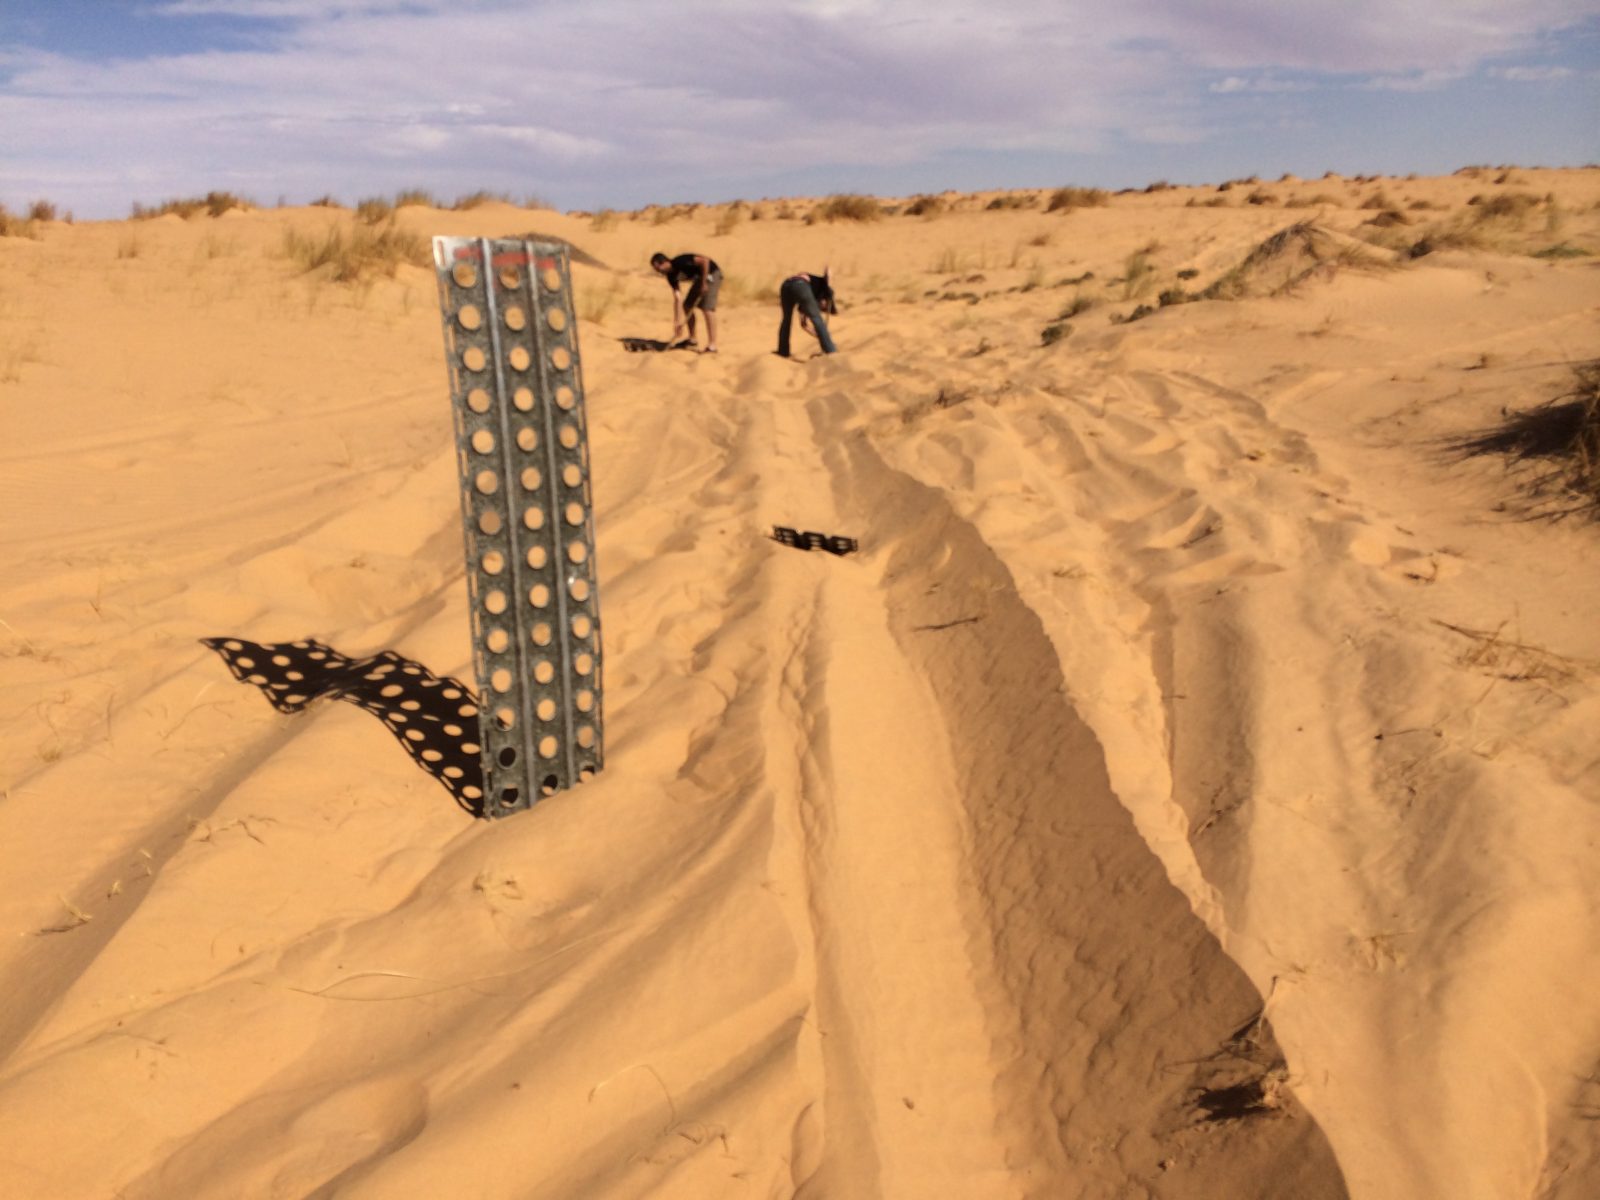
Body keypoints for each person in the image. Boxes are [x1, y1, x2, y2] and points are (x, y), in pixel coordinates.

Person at [650, 251, 721, 352]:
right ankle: (692, 339)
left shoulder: (680, 262)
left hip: (712, 274)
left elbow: (705, 261)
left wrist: (704, 282)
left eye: (659, 268)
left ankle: (712, 345)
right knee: (687, 305)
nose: (659, 272)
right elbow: (678, 298)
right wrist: (677, 322)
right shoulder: (671, 276)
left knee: (707, 308)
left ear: (665, 262)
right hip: (700, 279)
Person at [776, 268, 836, 358]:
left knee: (786, 320)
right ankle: (831, 352)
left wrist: (819, 335)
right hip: (801, 285)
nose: (822, 307)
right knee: (817, 318)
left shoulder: (808, 298)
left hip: (786, 285)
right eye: (823, 306)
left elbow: (804, 324)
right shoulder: (824, 289)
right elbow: (828, 275)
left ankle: (783, 351)